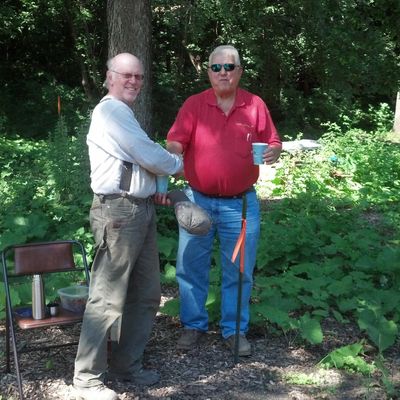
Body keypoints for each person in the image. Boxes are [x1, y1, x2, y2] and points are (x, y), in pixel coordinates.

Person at [73, 53, 183, 400]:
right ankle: (86, 379)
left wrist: (159, 181)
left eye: (138, 76)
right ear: (109, 77)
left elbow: (143, 160)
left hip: (140, 210)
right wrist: (178, 164)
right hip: (118, 212)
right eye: (126, 76)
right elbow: (149, 155)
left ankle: (126, 364)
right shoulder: (110, 111)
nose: (133, 81)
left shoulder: (124, 113)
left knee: (147, 293)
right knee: (107, 297)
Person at [166, 45, 282, 357]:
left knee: (240, 270)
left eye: (229, 67)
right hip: (197, 201)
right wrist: (168, 155)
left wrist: (273, 151)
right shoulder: (194, 104)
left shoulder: (254, 104)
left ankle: (234, 331)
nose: (223, 73)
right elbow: (175, 142)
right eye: (216, 68)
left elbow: (273, 141)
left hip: (241, 205)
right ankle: (193, 325)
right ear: (208, 72)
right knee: (190, 267)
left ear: (240, 71)